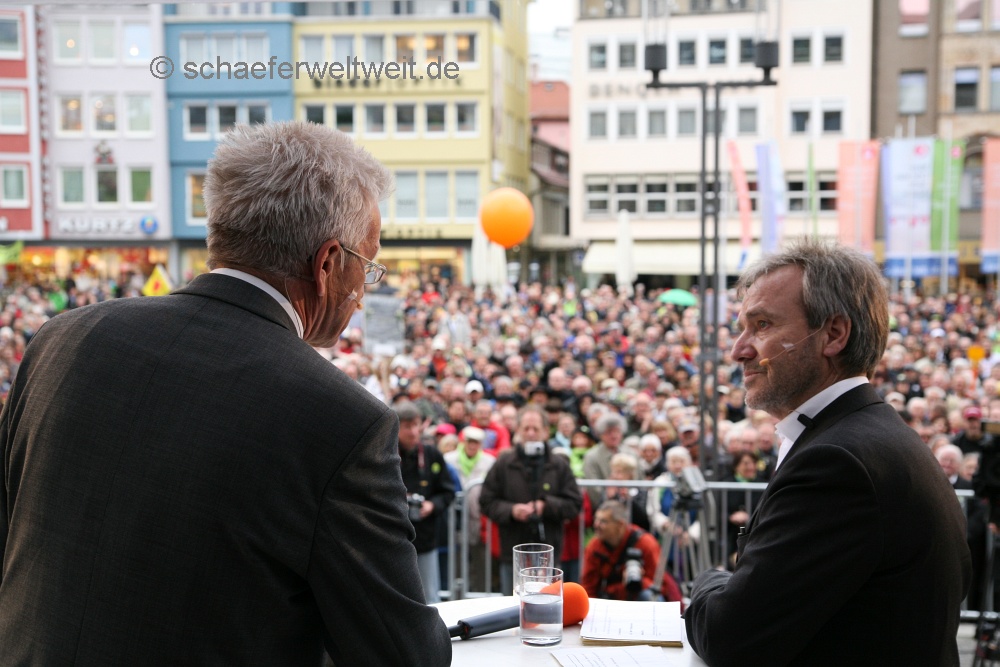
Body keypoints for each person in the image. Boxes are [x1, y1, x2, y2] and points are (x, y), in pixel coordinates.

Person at [0, 122, 451, 666]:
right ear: (328, 262)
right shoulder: (342, 421)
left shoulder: (60, 339)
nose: (362, 293)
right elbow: (402, 654)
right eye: (368, 265)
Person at [685, 240, 971, 667]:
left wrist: (707, 581)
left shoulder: (838, 463)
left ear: (833, 335)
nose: (739, 350)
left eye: (762, 325)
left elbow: (730, 637)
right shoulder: (870, 436)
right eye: (743, 327)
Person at [479, 405, 583, 596]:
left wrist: (546, 506)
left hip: (548, 556)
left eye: (535, 428)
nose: (531, 433)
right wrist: (512, 510)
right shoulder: (504, 463)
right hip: (513, 553)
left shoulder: (558, 465)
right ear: (518, 430)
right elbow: (486, 501)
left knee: (548, 606)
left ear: (545, 431)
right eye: (526, 428)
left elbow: (575, 503)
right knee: (512, 608)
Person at [396, 401, 456, 604]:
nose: (413, 432)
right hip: (395, 537)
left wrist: (432, 505)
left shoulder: (431, 455)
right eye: (407, 426)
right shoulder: (386, 455)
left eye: (416, 425)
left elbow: (448, 491)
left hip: (425, 536)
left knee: (429, 596)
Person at [581, 501, 682, 603]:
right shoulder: (595, 547)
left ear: (620, 525)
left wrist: (639, 581)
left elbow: (661, 586)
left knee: (650, 596)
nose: (596, 525)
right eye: (596, 520)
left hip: (640, 600)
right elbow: (588, 587)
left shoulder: (646, 544)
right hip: (610, 600)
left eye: (603, 521)